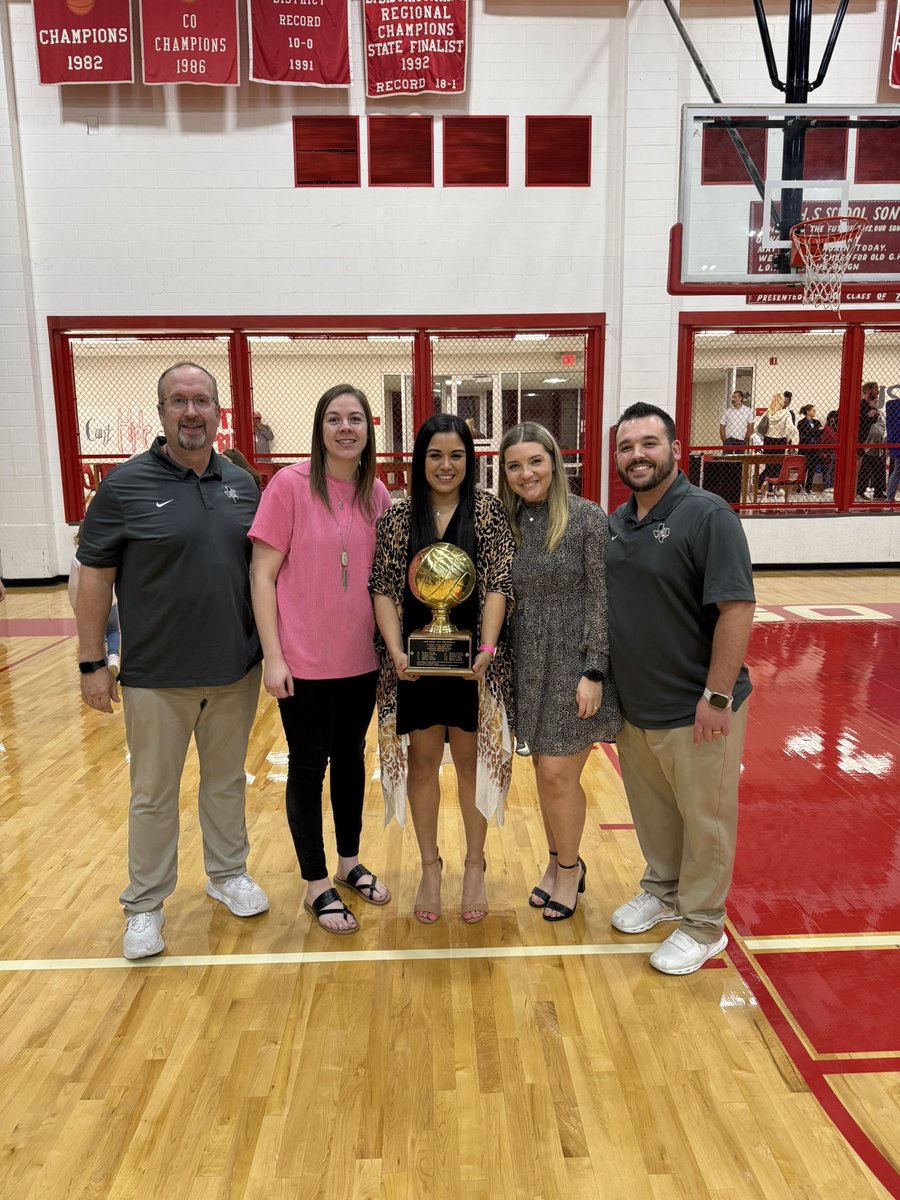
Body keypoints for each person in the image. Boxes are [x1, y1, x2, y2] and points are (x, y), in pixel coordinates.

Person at [75, 362, 267, 960]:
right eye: (179, 401)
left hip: (235, 670)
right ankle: (145, 905)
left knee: (227, 782)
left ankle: (226, 873)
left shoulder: (243, 486)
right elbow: (93, 577)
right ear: (161, 413)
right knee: (152, 793)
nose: (192, 411)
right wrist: (91, 662)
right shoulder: (122, 486)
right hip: (156, 676)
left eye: (202, 401)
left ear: (217, 413)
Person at [607, 402, 755, 975]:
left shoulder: (706, 514)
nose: (637, 455)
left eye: (649, 443)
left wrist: (717, 696)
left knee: (706, 819)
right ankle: (664, 891)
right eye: (626, 446)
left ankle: (702, 924)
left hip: (697, 706)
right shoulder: (619, 522)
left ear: (673, 449)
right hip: (636, 707)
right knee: (655, 814)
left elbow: (737, 608)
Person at [249, 385, 392, 935]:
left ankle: (349, 862)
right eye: (334, 418)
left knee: (352, 760)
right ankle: (314, 883)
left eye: (355, 418)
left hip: (361, 659)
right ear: (319, 428)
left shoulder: (375, 492)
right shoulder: (288, 485)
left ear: (368, 430)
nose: (345, 428)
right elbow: (261, 574)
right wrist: (273, 656)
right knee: (309, 769)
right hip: (303, 663)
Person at [370, 413, 514, 924]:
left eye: (456, 455)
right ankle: (430, 866)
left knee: (472, 763)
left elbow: (498, 584)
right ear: (420, 460)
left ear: (469, 461)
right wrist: (396, 652)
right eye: (435, 455)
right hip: (413, 664)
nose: (446, 465)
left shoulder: (489, 513)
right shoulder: (396, 517)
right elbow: (383, 590)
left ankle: (474, 864)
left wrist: (489, 650)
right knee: (424, 760)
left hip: (474, 665)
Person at [498, 423, 621, 921]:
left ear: (555, 462)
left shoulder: (589, 519)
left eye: (535, 462)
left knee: (556, 774)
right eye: (514, 466)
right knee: (542, 773)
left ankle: (570, 871)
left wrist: (594, 669)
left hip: (575, 664)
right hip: (527, 661)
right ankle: (556, 863)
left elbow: (601, 597)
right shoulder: (508, 523)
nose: (526, 474)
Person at [756, 393, 798, 492]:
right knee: (778, 464)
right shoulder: (786, 413)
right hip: (781, 440)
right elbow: (791, 429)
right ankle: (771, 489)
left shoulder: (768, 412)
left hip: (768, 440)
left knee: (769, 464)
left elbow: (759, 427)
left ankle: (759, 482)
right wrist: (789, 438)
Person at [856, 382, 886, 499]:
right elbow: (863, 422)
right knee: (867, 468)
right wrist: (869, 415)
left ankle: (877, 491)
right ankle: (861, 491)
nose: (878, 392)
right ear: (869, 390)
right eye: (875, 389)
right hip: (866, 442)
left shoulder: (872, 406)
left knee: (877, 467)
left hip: (874, 443)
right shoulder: (862, 405)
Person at [796, 403, 823, 491]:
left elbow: (819, 433)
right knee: (803, 469)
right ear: (808, 411)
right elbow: (805, 434)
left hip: (814, 450)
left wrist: (812, 432)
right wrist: (815, 431)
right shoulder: (801, 423)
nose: (815, 412)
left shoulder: (817, 422)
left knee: (812, 469)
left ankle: (808, 488)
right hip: (805, 449)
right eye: (813, 410)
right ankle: (800, 488)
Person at [819, 409, 839, 489]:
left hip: (835, 452)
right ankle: (827, 487)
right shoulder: (827, 429)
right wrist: (823, 452)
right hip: (829, 452)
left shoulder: (835, 429)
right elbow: (823, 441)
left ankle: (832, 487)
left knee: (834, 471)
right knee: (828, 470)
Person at [886, 392, 900, 503]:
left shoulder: (892, 406)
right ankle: (889, 497)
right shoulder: (894, 406)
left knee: (897, 470)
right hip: (897, 441)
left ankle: (889, 497)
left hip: (896, 442)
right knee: (897, 470)